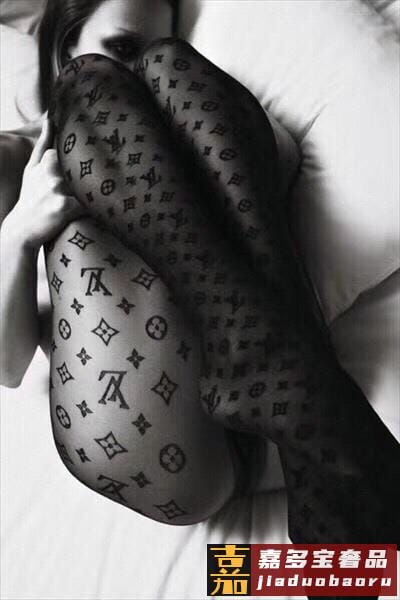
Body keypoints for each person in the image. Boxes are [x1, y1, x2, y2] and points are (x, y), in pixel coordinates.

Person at [1, 0, 399, 548]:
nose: (131, 74)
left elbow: (278, 174)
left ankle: (277, 384)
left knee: (170, 66)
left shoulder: (177, 94)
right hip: (157, 430)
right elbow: (6, 366)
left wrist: (174, 87)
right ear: (65, 41)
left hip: (282, 426)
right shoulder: (10, 158)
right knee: (89, 87)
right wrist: (19, 231)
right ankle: (278, 375)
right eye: (121, 47)